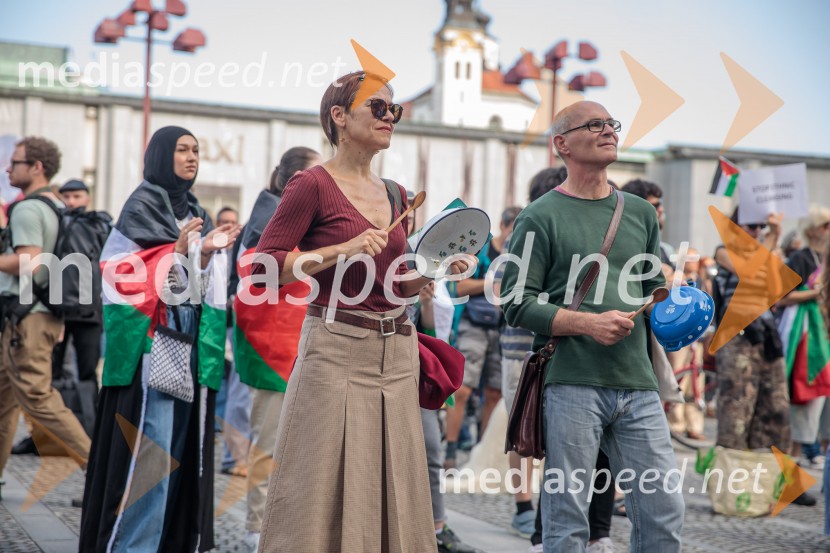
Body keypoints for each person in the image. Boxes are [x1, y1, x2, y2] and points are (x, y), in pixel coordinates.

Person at [252, 71, 474, 552]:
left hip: (396, 352)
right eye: (378, 108)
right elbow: (264, 270)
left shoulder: (396, 193)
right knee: (315, 492)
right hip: (334, 349)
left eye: (394, 110)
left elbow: (394, 285)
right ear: (338, 115)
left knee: (396, 489)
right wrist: (342, 249)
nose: (389, 117)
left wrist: (434, 271)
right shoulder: (309, 184)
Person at [501, 101, 684, 552]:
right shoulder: (539, 216)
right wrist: (587, 323)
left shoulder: (640, 213)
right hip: (570, 384)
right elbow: (514, 302)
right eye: (594, 124)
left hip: (639, 383)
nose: (609, 131)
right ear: (561, 143)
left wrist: (678, 305)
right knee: (567, 518)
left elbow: (651, 287)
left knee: (664, 508)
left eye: (611, 124)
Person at [79, 126, 241, 552]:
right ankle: (134, 546)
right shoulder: (143, 203)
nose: (192, 157)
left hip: (184, 339)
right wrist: (177, 250)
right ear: (161, 155)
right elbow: (116, 269)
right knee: (150, 450)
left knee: (175, 449)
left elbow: (189, 283)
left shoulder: (192, 208)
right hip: (152, 341)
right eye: (182, 150)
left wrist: (203, 255)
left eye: (196, 150)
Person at [233, 146, 322, 553]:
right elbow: (259, 281)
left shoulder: (288, 215)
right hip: (274, 346)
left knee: (298, 450)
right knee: (269, 445)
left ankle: (287, 529)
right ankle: (257, 529)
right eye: (315, 173)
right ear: (293, 182)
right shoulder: (267, 220)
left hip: (299, 344)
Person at [0, 137, 92, 490]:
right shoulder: (56, 205)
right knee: (4, 399)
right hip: (45, 312)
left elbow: (29, 260)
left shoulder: (27, 208)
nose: (9, 168)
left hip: (28, 316)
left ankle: (99, 471)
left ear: (36, 167)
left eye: (15, 162)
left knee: (38, 398)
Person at [712, 210, 794, 476]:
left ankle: (779, 480)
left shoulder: (769, 251)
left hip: (767, 337)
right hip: (738, 339)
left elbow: (779, 288)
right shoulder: (723, 252)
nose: (758, 231)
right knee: (736, 412)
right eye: (752, 225)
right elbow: (748, 270)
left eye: (761, 226)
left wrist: (776, 239)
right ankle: (730, 481)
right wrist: (773, 238)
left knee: (777, 410)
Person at [443, 206, 519, 470]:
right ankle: (451, 450)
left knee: (495, 393)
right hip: (473, 325)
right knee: (462, 389)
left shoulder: (521, 253)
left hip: (502, 327)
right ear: (502, 225)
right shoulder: (483, 250)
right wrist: (493, 283)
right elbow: (460, 285)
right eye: (512, 229)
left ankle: (482, 452)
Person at [778, 206, 830, 467]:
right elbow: (782, 297)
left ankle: (821, 447)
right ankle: (797, 454)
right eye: (825, 225)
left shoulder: (825, 256)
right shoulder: (801, 258)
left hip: (823, 331)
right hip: (805, 333)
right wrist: (815, 293)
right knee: (806, 390)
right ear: (813, 230)